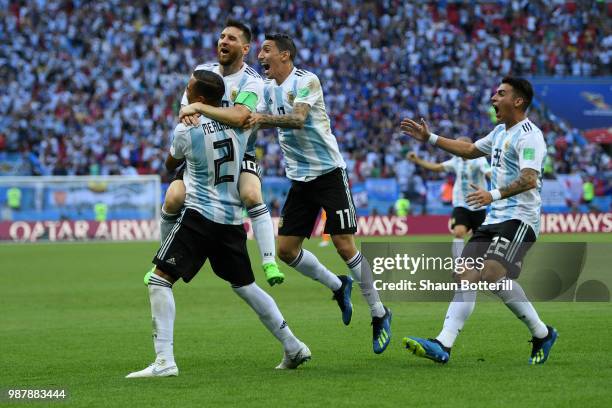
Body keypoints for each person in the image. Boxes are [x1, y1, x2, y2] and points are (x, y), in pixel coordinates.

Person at [126, 70, 310, 378]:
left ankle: (164, 362)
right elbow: (240, 119)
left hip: (199, 215)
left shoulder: (187, 130)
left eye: (188, 90)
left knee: (159, 280)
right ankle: (293, 345)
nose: (184, 93)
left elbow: (171, 163)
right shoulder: (240, 128)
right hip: (231, 220)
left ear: (198, 100)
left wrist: (185, 124)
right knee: (246, 287)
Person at [243, 33, 392, 353]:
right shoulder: (267, 89)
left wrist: (260, 119)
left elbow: (297, 119)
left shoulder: (306, 80)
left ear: (285, 55)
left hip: (328, 173)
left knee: (343, 243)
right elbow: (255, 124)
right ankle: (339, 286)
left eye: (267, 50)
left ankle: (380, 311)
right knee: (285, 251)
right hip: (299, 179)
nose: (261, 55)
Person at [399, 76, 558, 365]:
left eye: (501, 94)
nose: (493, 99)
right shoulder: (499, 131)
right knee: (465, 275)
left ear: (518, 100)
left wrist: (492, 194)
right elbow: (470, 150)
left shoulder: (529, 135)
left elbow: (529, 179)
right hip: (494, 219)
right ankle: (443, 344)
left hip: (519, 219)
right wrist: (430, 138)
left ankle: (542, 332)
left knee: (492, 272)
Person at [164, 19, 284, 286]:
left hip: (240, 154)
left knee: (252, 194)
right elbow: (185, 115)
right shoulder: (202, 72)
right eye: (221, 36)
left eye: (231, 38)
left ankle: (269, 262)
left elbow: (241, 116)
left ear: (245, 48)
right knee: (173, 197)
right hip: (203, 152)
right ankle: (165, 257)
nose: (223, 41)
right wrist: (191, 114)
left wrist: (201, 109)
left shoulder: (252, 81)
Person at [407, 143, 491, 261]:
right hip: (461, 202)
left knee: (478, 239)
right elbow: (437, 167)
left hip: (478, 204)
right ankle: (458, 263)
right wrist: (417, 160)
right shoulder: (456, 161)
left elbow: (489, 173)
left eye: (458, 147)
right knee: (458, 232)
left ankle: (477, 263)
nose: (455, 149)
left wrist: (500, 184)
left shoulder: (479, 160)